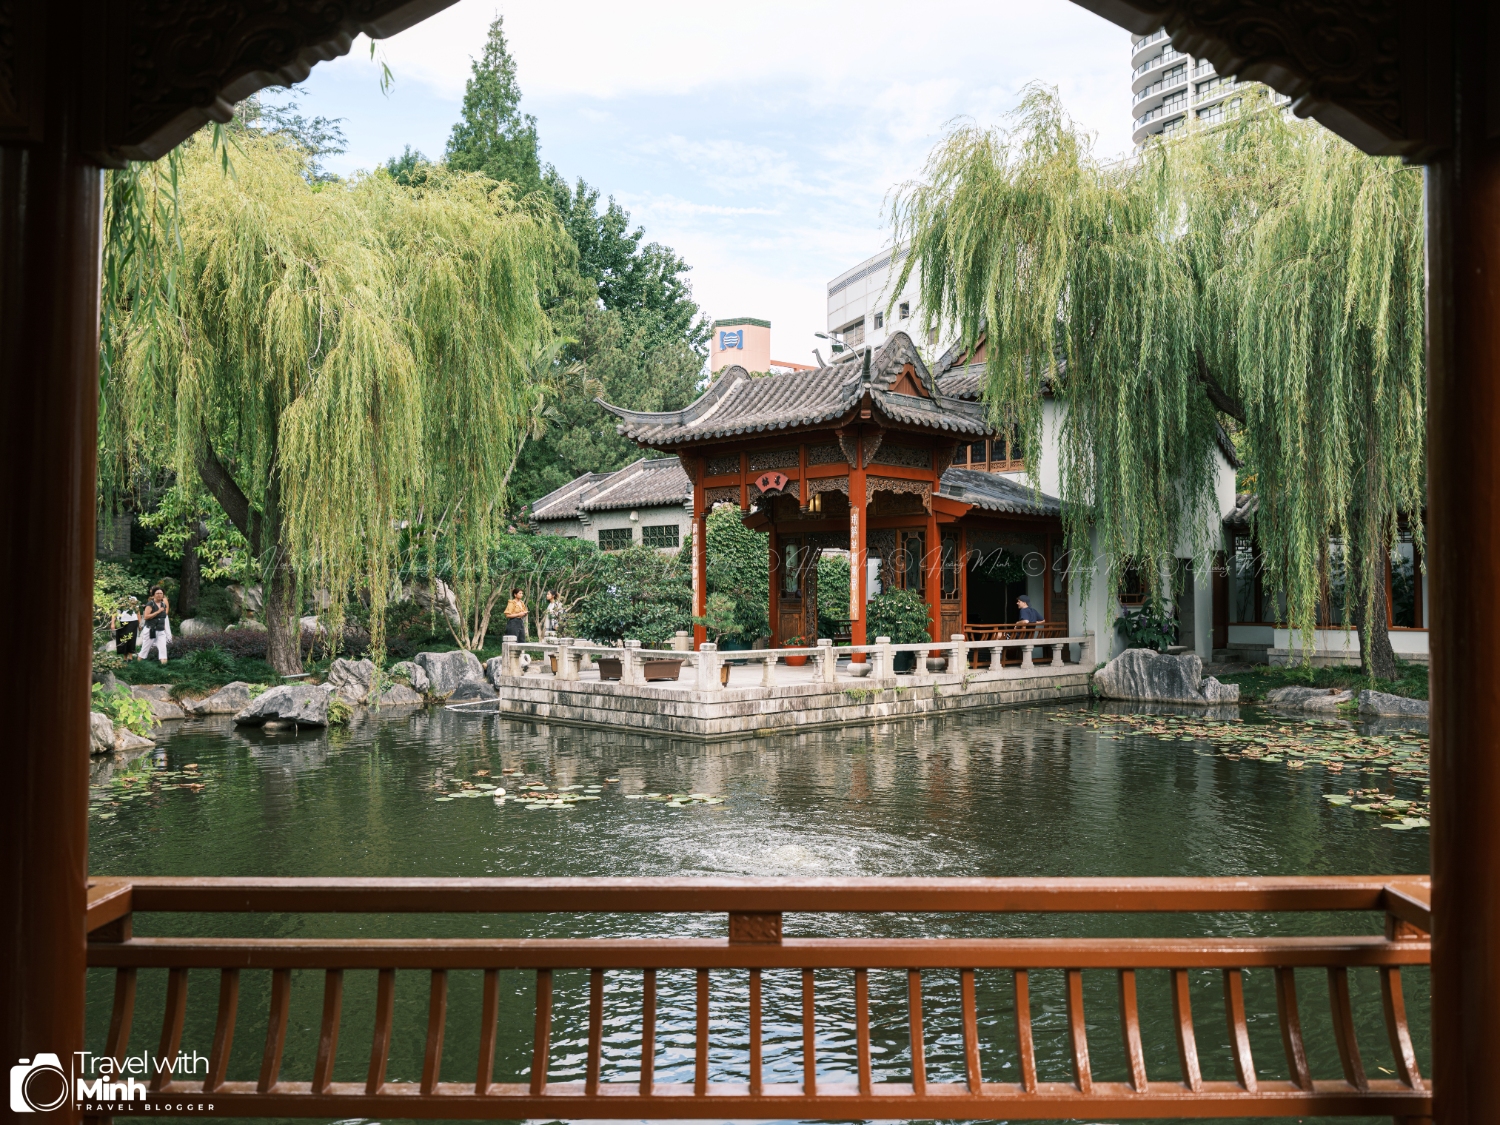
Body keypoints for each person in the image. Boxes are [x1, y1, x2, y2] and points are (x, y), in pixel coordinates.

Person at [139, 586, 171, 664]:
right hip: (151, 630)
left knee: (163, 649)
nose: (159, 595)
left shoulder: (163, 604)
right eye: (157, 593)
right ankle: (137, 665)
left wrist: (164, 629)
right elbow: (146, 617)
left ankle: (164, 668)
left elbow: (163, 618)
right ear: (153, 595)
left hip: (161, 630)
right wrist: (158, 611)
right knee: (145, 649)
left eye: (161, 593)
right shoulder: (150, 604)